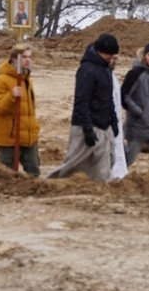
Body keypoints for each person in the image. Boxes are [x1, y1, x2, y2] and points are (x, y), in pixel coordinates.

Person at [47, 33, 120, 182]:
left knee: (107, 163)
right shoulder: (86, 70)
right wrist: (87, 129)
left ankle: (97, 190)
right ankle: (54, 184)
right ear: (101, 51)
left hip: (104, 126)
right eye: (110, 54)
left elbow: (108, 99)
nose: (113, 57)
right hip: (86, 127)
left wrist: (113, 122)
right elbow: (81, 101)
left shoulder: (106, 70)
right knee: (73, 166)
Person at [0, 43, 41, 176]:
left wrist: (34, 128)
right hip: (10, 137)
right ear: (14, 59)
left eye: (29, 57)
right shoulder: (1, 80)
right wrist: (11, 96)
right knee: (8, 176)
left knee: (34, 173)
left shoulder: (27, 80)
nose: (28, 60)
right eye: (24, 57)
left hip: (28, 137)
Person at [108, 55, 128, 181]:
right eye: (112, 59)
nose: (114, 62)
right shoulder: (102, 76)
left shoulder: (112, 77)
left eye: (116, 59)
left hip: (116, 123)